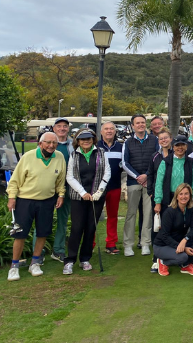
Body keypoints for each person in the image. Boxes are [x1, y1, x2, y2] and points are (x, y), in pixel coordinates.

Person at [6, 132, 66, 281]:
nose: (51, 146)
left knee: (42, 233)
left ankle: (35, 263)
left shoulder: (59, 157)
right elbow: (15, 180)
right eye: (48, 142)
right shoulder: (28, 157)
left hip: (47, 201)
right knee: (20, 234)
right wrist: (12, 197)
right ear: (40, 143)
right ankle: (14, 266)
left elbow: (60, 180)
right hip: (25, 201)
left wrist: (61, 195)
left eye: (54, 143)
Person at [63, 129, 111, 275]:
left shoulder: (101, 153)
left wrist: (99, 191)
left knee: (91, 228)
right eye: (83, 139)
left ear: (93, 139)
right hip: (79, 197)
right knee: (77, 228)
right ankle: (70, 260)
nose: (86, 141)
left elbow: (107, 172)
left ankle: (85, 259)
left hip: (96, 197)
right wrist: (83, 192)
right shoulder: (74, 154)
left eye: (89, 138)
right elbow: (70, 177)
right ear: (78, 141)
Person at [122, 114, 158, 257]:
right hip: (133, 182)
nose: (140, 125)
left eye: (143, 122)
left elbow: (157, 159)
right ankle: (128, 245)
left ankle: (145, 243)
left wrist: (147, 175)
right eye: (137, 123)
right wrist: (138, 176)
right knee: (131, 214)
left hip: (149, 182)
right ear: (133, 126)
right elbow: (124, 163)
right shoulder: (128, 142)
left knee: (148, 214)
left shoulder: (154, 140)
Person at [154, 183, 193, 276]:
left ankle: (186, 265)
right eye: (181, 194)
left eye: (186, 194)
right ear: (176, 196)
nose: (183, 196)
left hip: (179, 241)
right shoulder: (169, 212)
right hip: (162, 245)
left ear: (190, 195)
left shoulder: (191, 209)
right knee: (183, 257)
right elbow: (164, 235)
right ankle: (163, 261)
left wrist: (185, 239)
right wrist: (183, 248)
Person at [147, 129, 172, 272]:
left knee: (172, 226)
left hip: (173, 197)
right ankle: (156, 257)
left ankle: (170, 254)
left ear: (170, 138)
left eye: (166, 138)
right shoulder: (155, 156)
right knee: (157, 226)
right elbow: (150, 175)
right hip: (158, 197)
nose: (164, 140)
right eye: (161, 138)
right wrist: (150, 192)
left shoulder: (177, 154)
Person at [154, 135, 193, 218]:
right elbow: (159, 183)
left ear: (186, 146)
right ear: (173, 147)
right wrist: (158, 202)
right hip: (168, 198)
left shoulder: (191, 162)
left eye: (182, 145)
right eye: (177, 145)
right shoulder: (165, 162)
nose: (180, 148)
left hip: (185, 199)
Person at [50, 117, 74, 263]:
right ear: (54, 129)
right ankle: (37, 253)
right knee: (43, 220)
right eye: (59, 126)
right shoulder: (49, 144)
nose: (62, 128)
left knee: (62, 220)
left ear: (68, 128)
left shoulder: (72, 146)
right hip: (48, 188)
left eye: (65, 126)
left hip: (66, 188)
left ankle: (58, 250)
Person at [98, 122, 123, 255]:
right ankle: (91, 243)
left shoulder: (120, 147)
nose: (109, 131)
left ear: (115, 131)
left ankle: (111, 243)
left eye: (111, 129)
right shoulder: (95, 146)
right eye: (106, 129)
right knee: (94, 216)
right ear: (101, 132)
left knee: (112, 216)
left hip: (115, 186)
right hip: (98, 188)